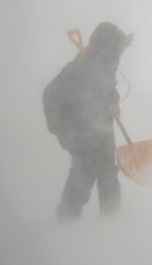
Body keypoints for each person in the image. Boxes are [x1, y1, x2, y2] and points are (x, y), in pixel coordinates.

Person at [42, 22, 132, 222]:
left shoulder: (104, 63)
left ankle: (109, 222)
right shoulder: (83, 67)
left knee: (105, 171)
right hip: (80, 129)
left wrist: (113, 101)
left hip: (98, 127)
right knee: (85, 172)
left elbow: (108, 89)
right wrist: (65, 131)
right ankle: (67, 222)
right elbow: (61, 97)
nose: (122, 51)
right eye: (120, 46)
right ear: (108, 46)